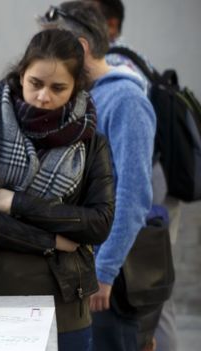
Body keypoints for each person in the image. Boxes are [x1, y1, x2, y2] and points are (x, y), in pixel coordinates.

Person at [0, 28, 115, 351]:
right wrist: (51, 239)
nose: (43, 97)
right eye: (35, 84)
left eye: (58, 88)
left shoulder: (91, 143)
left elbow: (99, 223)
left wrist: (16, 203)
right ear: (21, 74)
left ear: (76, 87)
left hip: (64, 301)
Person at [39, 2, 156, 350]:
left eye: (53, 45)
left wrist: (105, 272)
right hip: (86, 269)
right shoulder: (88, 96)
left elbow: (134, 195)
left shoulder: (125, 100)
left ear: (81, 46)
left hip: (111, 279)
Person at [92, 3, 181, 347]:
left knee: (145, 289)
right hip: (154, 182)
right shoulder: (133, 58)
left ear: (110, 25)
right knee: (150, 292)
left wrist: (105, 269)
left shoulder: (120, 72)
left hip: (149, 188)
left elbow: (133, 191)